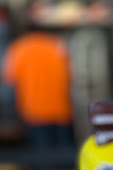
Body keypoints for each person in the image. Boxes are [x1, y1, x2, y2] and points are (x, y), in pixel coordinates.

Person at [1, 29, 73, 160]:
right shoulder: (58, 45)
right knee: (65, 160)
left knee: (43, 160)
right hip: (61, 110)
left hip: (34, 112)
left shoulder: (19, 47)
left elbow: (9, 80)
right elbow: (72, 75)